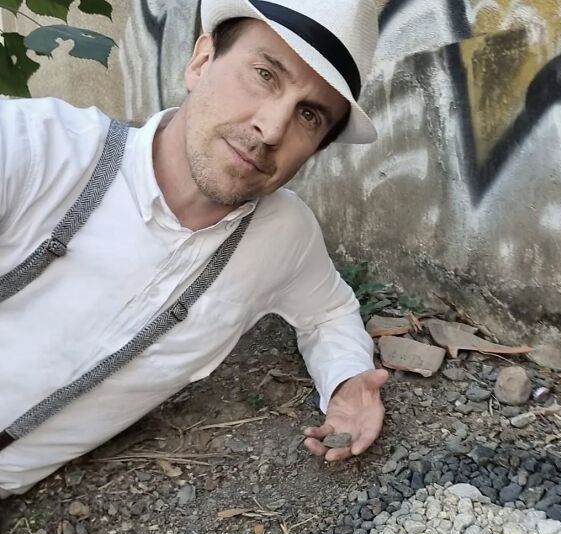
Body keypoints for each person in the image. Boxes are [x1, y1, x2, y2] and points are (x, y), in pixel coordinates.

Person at [0, 0, 389, 498]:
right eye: (265, 74)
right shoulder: (39, 150)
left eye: (309, 116)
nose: (271, 129)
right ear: (201, 60)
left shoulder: (283, 236)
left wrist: (346, 379)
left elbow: (329, 312)